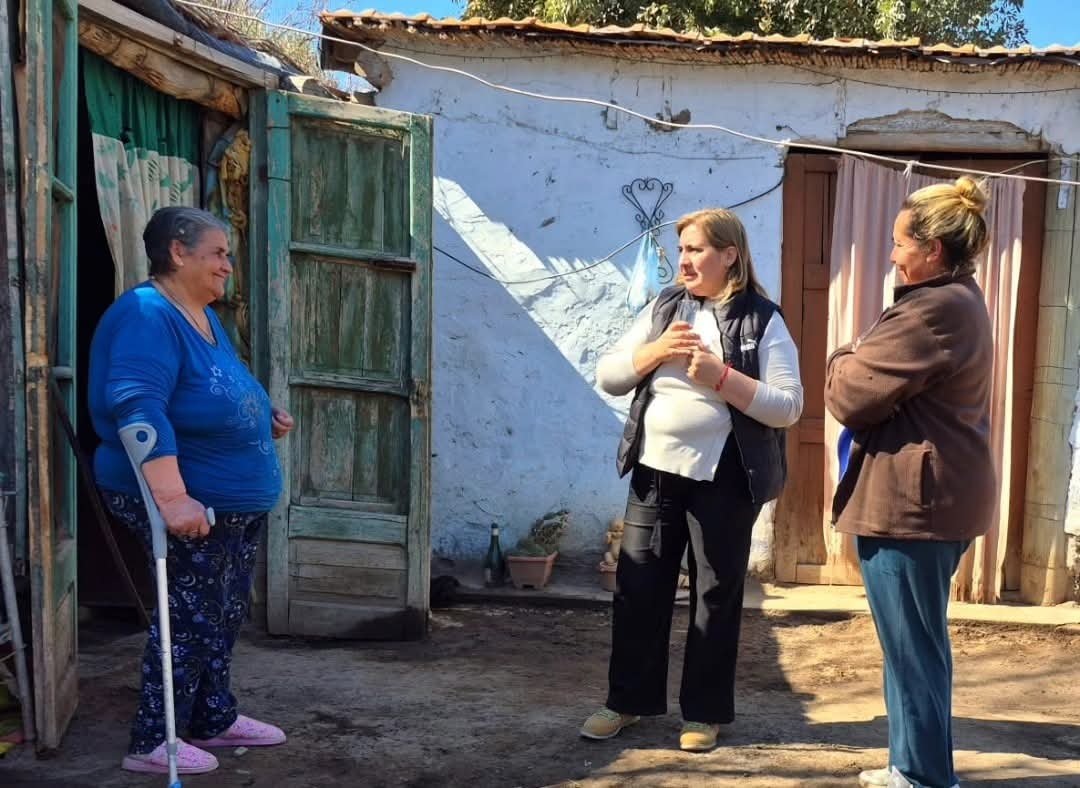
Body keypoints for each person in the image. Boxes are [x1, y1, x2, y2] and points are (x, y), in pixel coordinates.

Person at [582, 208, 803, 751]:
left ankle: (703, 714)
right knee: (638, 589)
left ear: (729, 255)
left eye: (697, 249)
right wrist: (655, 352)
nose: (684, 260)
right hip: (655, 472)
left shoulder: (761, 319)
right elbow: (609, 375)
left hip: (725, 478)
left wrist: (721, 378)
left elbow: (789, 407)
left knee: (715, 594)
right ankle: (626, 702)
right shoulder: (665, 309)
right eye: (681, 249)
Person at [89, 207, 294, 775]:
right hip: (186, 504)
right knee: (190, 618)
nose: (228, 265)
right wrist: (173, 498)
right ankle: (156, 740)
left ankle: (212, 717)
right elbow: (135, 405)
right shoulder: (147, 313)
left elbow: (208, 389)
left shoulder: (201, 315)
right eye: (219, 253)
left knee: (223, 613)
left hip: (229, 505)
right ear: (178, 253)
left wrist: (259, 413)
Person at [825, 177, 994, 788]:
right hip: (929, 500)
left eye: (899, 243)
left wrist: (844, 354)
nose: (892, 254)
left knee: (915, 649)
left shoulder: (933, 309)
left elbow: (850, 394)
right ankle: (909, 764)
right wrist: (860, 351)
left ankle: (923, 776)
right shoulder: (953, 300)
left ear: (932, 249)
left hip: (913, 506)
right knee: (907, 645)